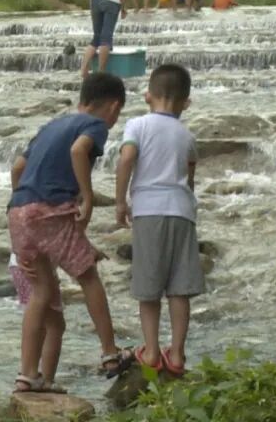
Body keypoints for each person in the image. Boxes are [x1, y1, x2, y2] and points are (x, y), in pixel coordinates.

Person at [9, 72, 132, 392]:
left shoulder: (51, 126)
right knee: (88, 276)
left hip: (18, 211)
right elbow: (80, 151)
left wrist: (24, 206)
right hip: (50, 210)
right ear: (114, 108)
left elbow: (18, 169)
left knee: (41, 294)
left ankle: (28, 375)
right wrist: (87, 195)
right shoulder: (95, 125)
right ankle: (110, 353)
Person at [114, 64, 202, 377]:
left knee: (149, 287)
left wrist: (120, 201)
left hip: (149, 211)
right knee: (179, 289)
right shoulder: (187, 136)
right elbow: (189, 181)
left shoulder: (137, 125)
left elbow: (126, 159)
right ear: (186, 103)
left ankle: (151, 352)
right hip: (181, 212)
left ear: (147, 95)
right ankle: (176, 354)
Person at [7, 252, 67, 394]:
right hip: (37, 268)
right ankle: (43, 379)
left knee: (45, 320)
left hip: (20, 263)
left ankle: (32, 374)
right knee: (55, 325)